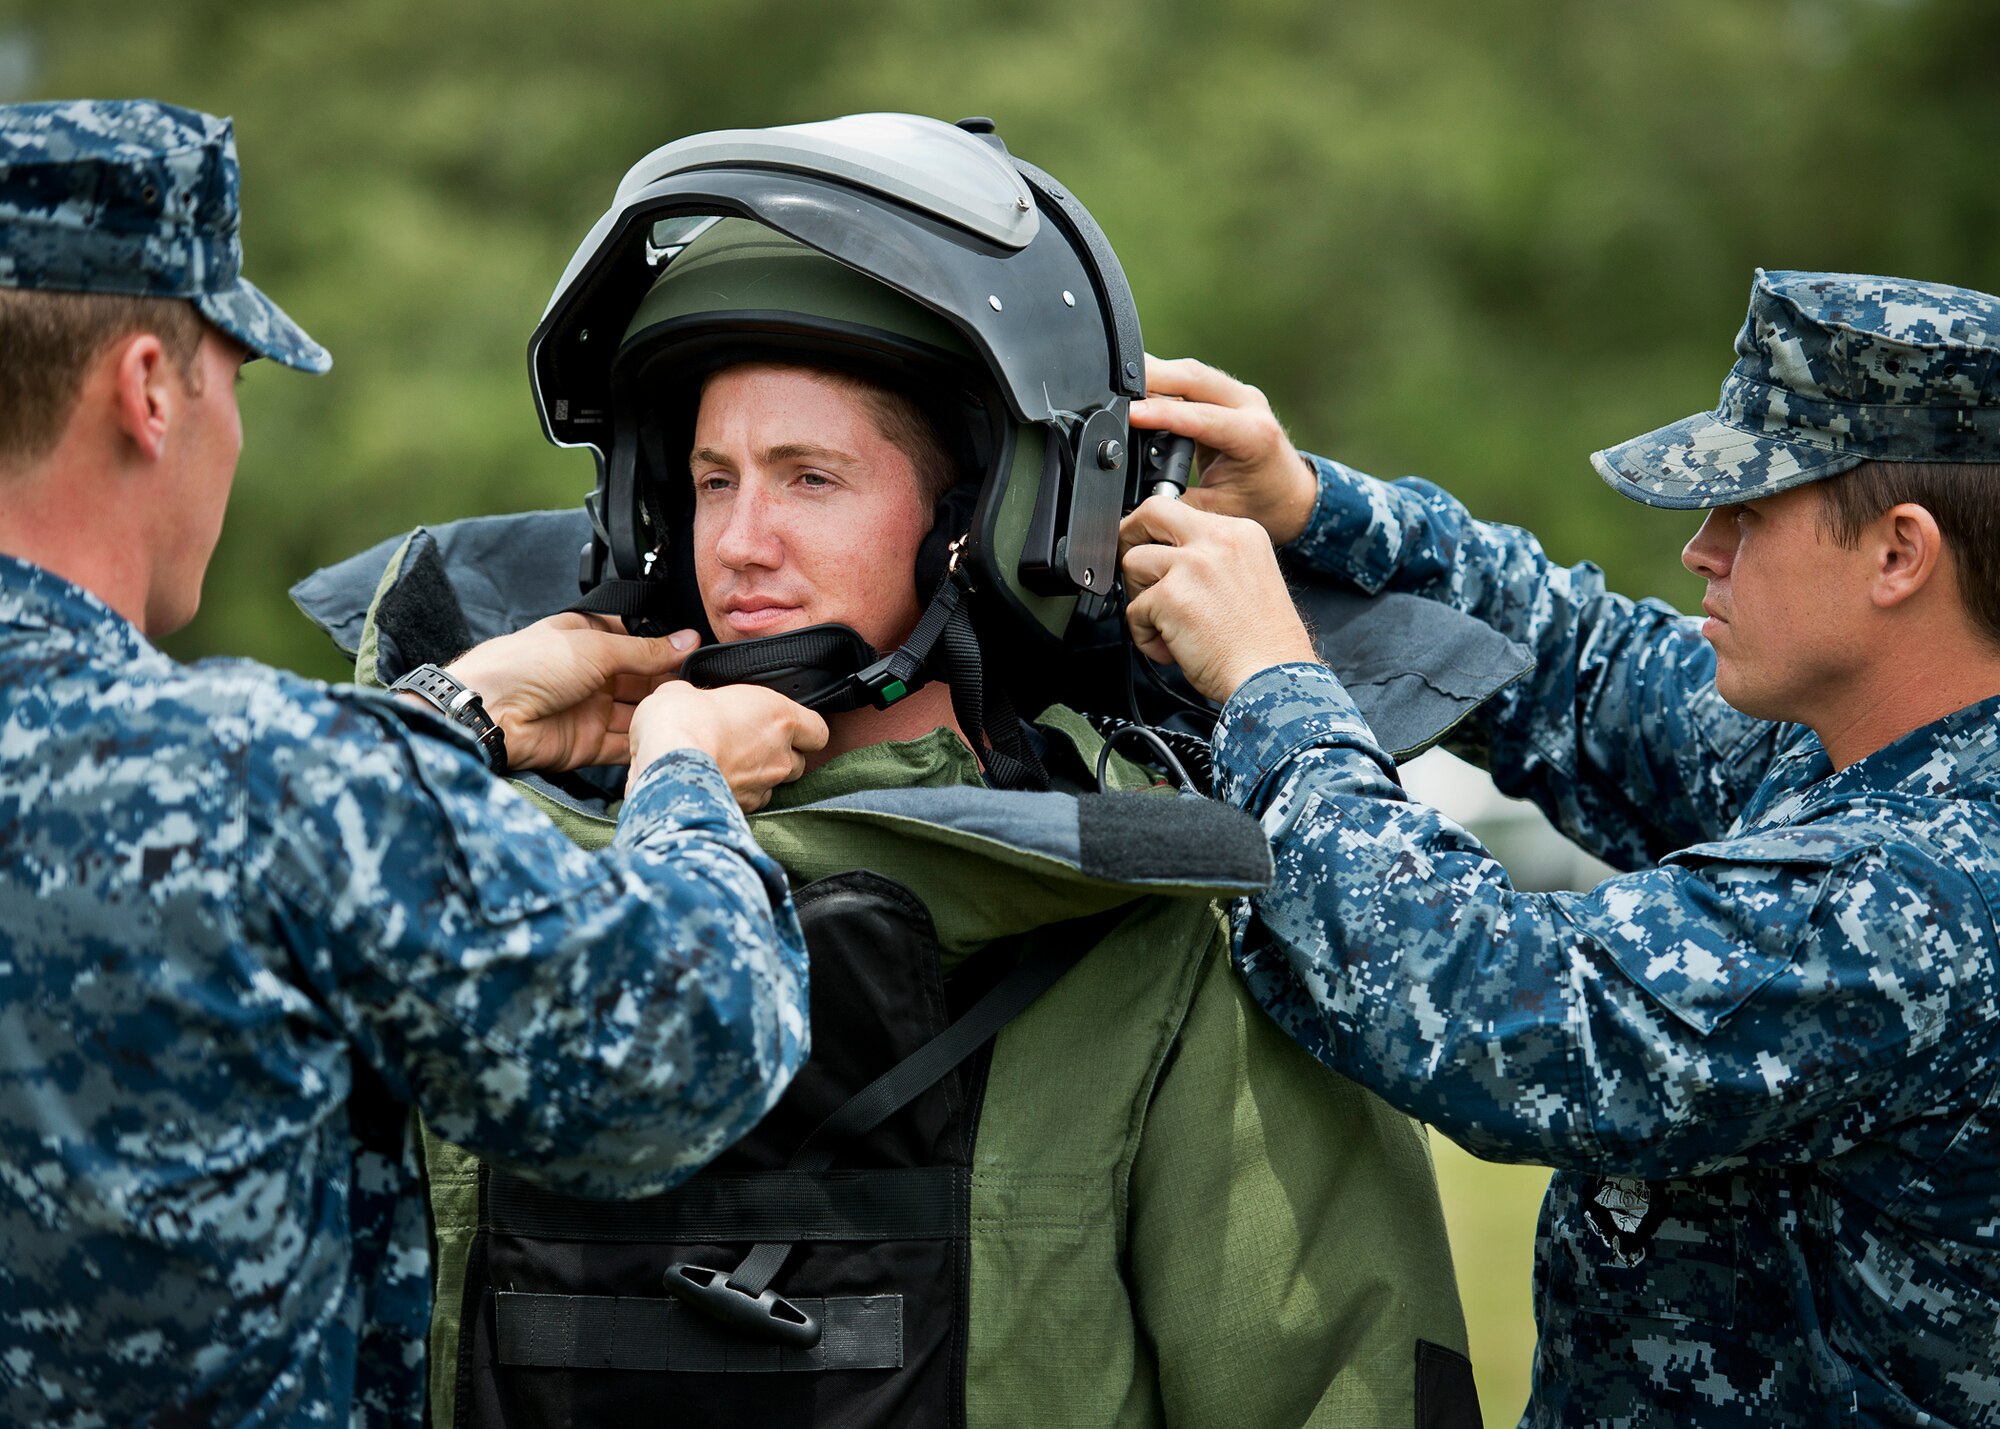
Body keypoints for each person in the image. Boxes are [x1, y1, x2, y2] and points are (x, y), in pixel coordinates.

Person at [296, 118, 1480, 1428]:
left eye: (811, 477)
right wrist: (458, 721)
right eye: (709, 478)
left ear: (981, 521)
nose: (740, 541)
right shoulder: (473, 878)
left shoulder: (1156, 938)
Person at [0, 99, 827, 1427]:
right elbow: (686, 1048)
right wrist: (686, 778)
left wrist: (453, 712)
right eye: (237, 378)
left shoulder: (272, 779)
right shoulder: (260, 776)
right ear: (152, 387)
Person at [1117, 270, 2000, 1427]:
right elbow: (1573, 661)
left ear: (1897, 554)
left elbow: (1485, 1004)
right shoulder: (1846, 748)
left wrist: (1269, 685)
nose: (1700, 549)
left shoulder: (1921, 892)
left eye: (1747, 512)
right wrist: (1308, 505)